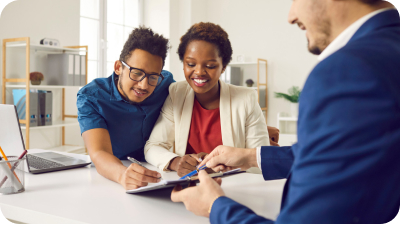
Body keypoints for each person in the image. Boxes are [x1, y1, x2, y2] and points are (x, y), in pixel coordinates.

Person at [170, 0, 400, 223]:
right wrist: (250, 156)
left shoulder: (346, 70)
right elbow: (345, 154)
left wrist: (214, 206)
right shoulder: (389, 47)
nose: (291, 16)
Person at [144, 22, 278, 176]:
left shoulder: (246, 99)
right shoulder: (176, 93)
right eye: (191, 64)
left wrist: (219, 168)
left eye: (210, 65)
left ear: (224, 66)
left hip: (230, 190)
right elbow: (152, 147)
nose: (199, 72)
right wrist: (177, 162)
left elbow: (260, 164)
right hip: (187, 187)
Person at [77, 27, 174, 190]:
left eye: (153, 77)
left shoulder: (166, 83)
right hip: (115, 172)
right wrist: (123, 175)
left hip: (161, 169)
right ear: (118, 67)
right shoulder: (91, 96)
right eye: (136, 73)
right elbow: (99, 152)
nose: (144, 85)